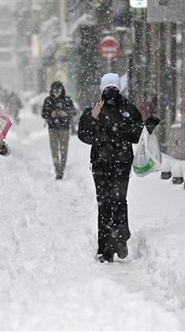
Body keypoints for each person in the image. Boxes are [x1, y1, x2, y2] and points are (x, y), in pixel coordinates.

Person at [78, 73, 160, 263]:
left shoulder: (129, 109)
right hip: (100, 164)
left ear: (118, 88)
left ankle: (121, 238)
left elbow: (137, 136)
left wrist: (148, 126)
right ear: (101, 89)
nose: (110, 92)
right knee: (104, 205)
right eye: (106, 88)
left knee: (119, 201)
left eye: (113, 88)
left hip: (121, 163)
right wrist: (93, 118)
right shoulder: (93, 110)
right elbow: (85, 135)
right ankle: (105, 249)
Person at [41, 81, 76, 179]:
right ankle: (58, 169)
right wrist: (51, 114)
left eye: (58, 90)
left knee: (64, 150)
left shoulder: (67, 100)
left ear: (62, 90)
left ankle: (62, 169)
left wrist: (65, 113)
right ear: (52, 90)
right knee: (54, 150)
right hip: (52, 129)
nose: (56, 92)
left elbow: (73, 112)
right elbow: (43, 113)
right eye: (54, 90)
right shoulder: (48, 100)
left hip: (64, 128)